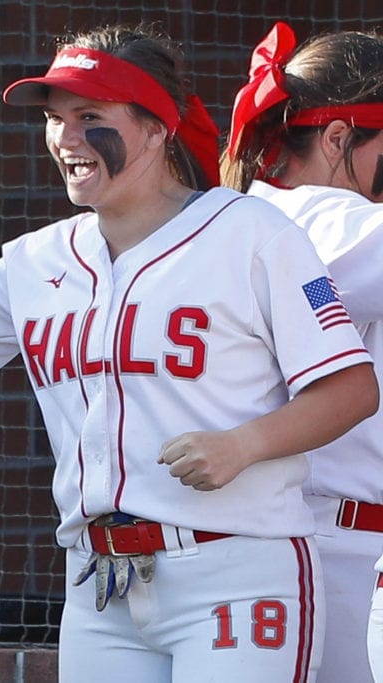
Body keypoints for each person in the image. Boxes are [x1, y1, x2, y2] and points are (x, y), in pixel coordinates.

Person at [0, 24, 378, 682]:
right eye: (56, 119)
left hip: (235, 567)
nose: (66, 137)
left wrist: (244, 443)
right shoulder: (39, 259)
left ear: (156, 127)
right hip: (97, 584)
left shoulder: (252, 232)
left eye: (90, 116)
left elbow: (350, 389)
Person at [221, 22, 383, 683]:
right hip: (340, 554)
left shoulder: (236, 214)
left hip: (277, 546)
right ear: (340, 138)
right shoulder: (329, 218)